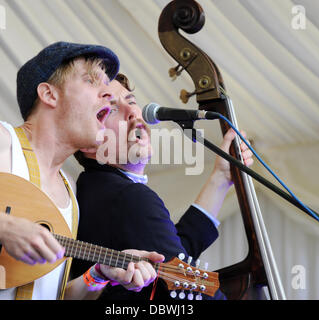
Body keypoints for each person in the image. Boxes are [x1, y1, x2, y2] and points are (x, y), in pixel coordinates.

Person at [0, 42, 163, 300]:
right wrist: (2, 227)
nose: (107, 93)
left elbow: (53, 295)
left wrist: (97, 276)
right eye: (91, 81)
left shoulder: (69, 191)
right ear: (49, 95)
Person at [72, 73, 254, 300]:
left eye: (131, 101)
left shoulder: (95, 189)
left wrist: (220, 178)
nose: (133, 113)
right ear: (89, 140)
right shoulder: (128, 197)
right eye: (112, 109)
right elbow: (184, 282)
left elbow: (169, 255)